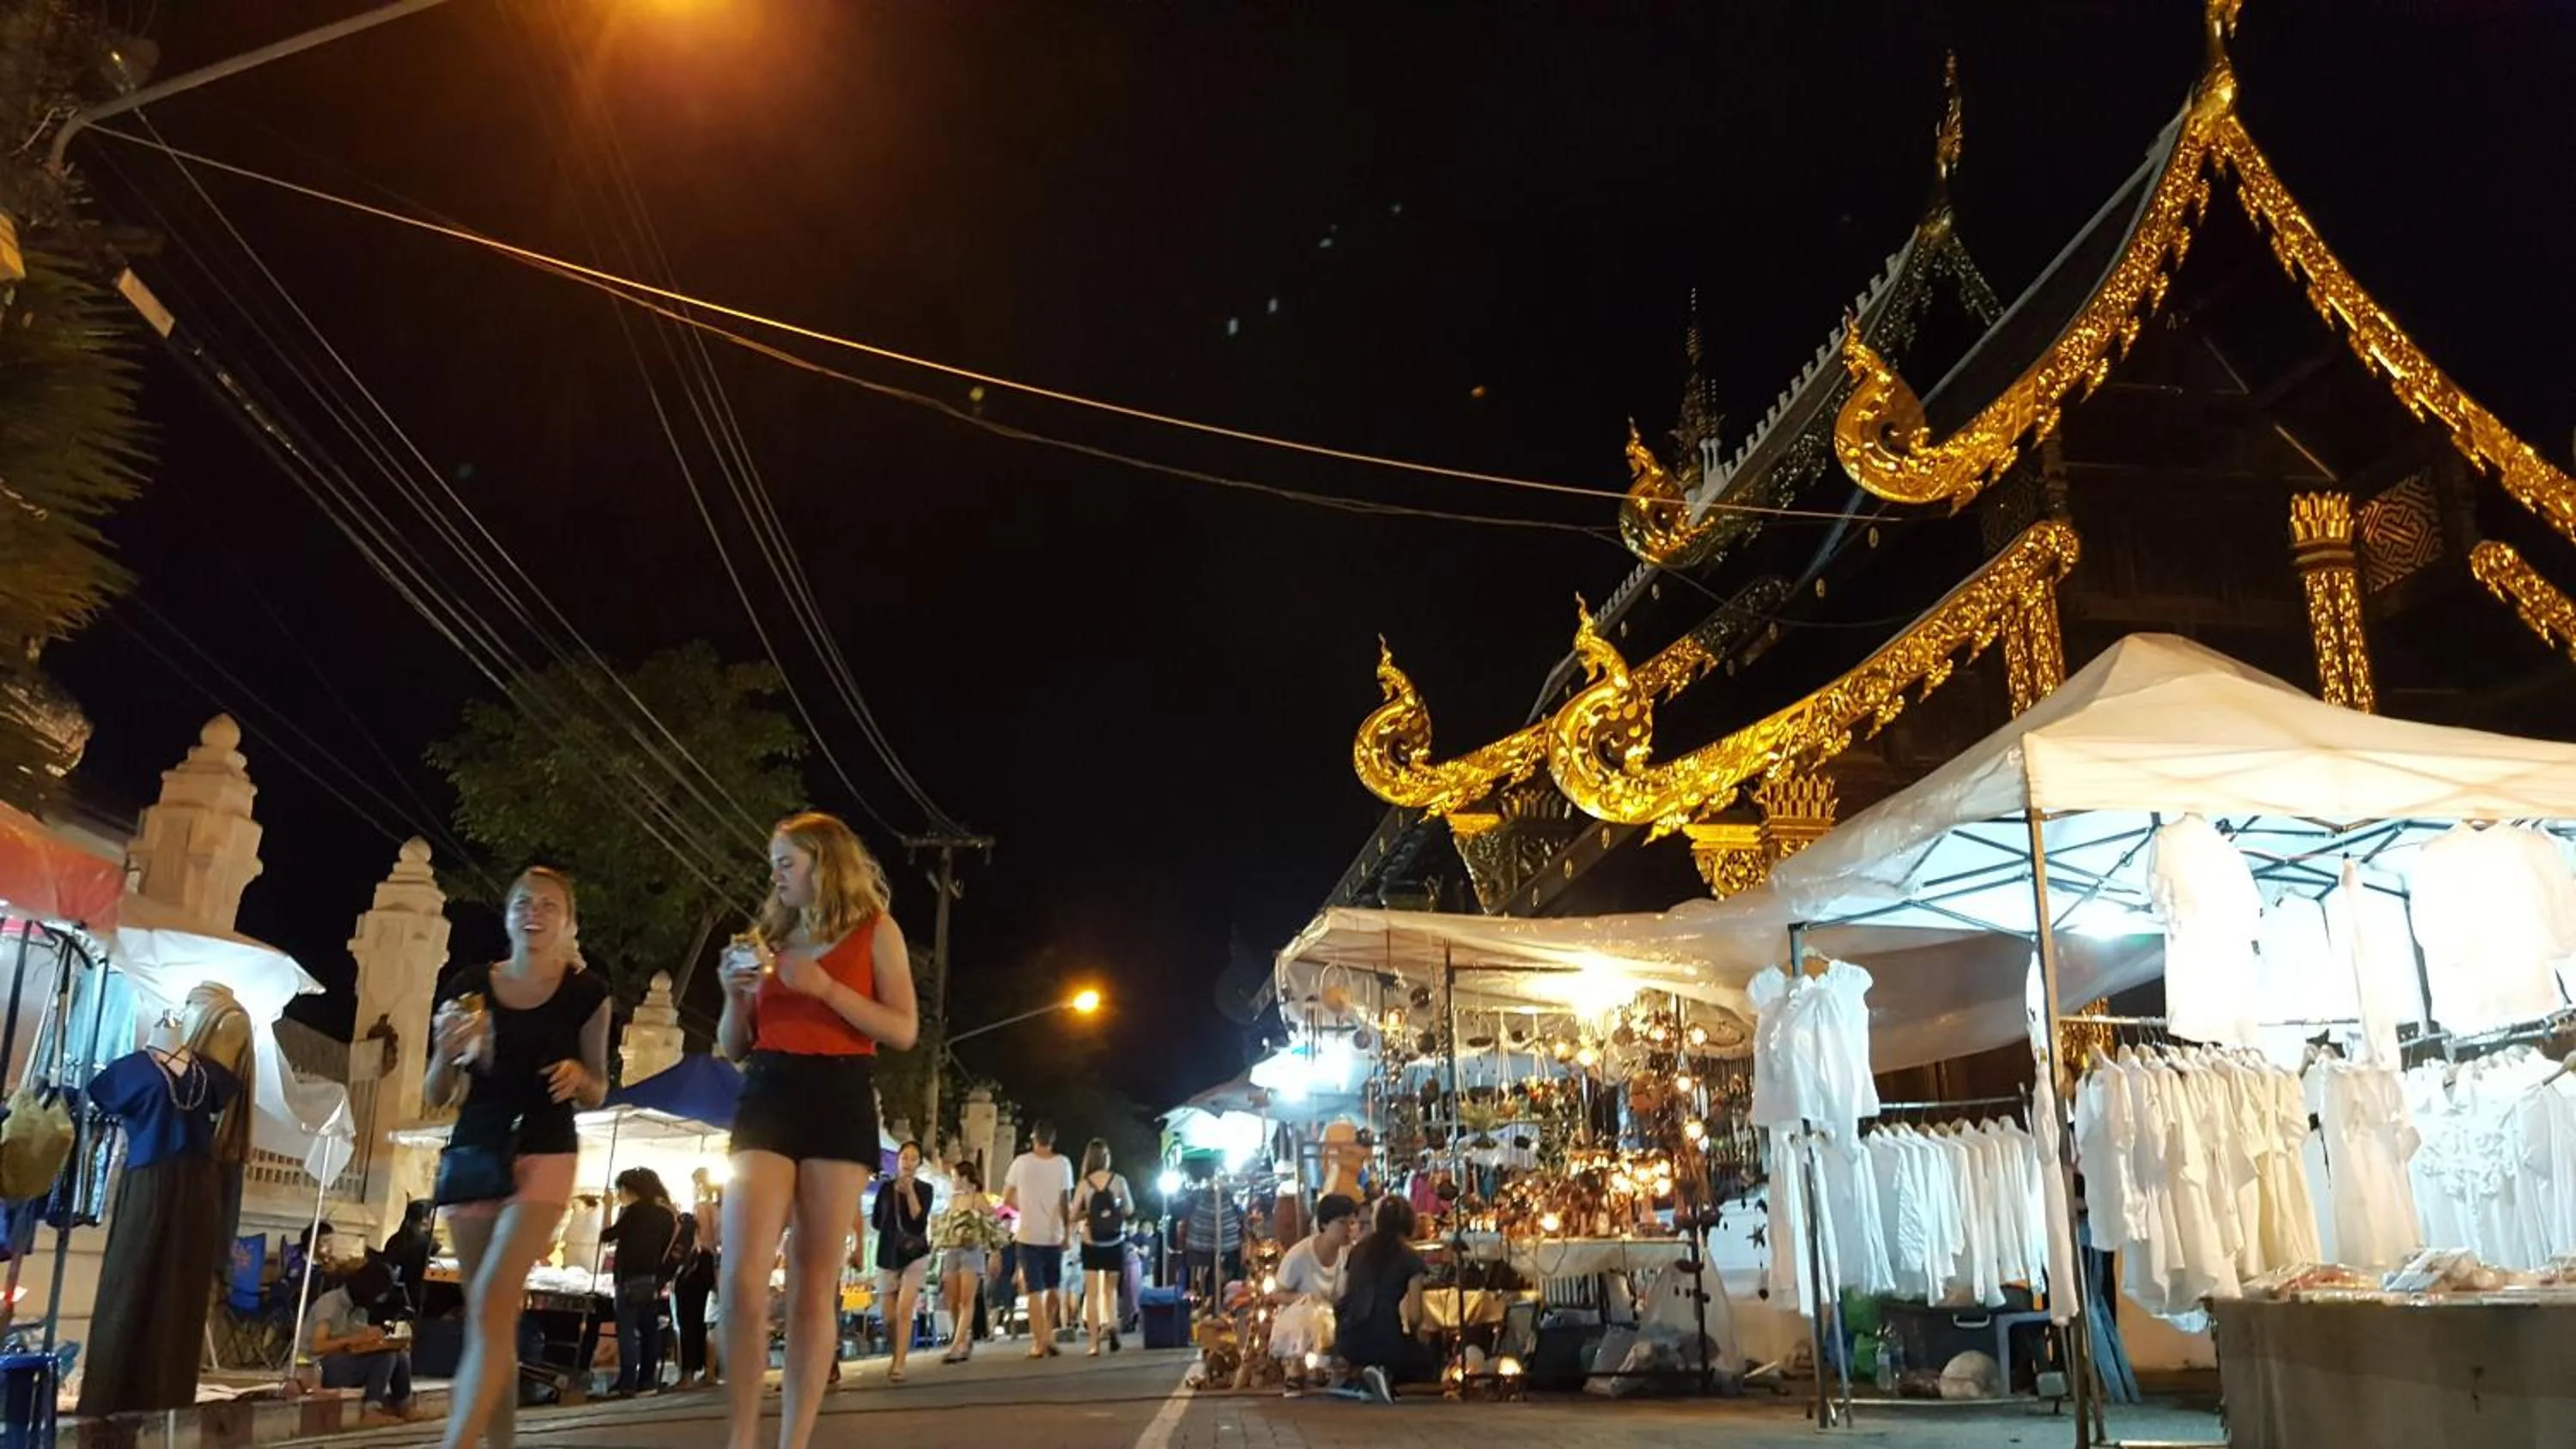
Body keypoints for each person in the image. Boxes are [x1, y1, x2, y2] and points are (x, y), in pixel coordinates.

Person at [717, 813, 918, 1449]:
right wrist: (731, 995)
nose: (774, 873)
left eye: (786, 861)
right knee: (743, 1277)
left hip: (840, 1090)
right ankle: (743, 1434)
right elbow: (734, 1046)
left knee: (813, 1282)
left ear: (823, 864)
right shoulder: (767, 940)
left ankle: (793, 1440)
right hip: (769, 1089)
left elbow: (902, 1029)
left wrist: (827, 987)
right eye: (773, 862)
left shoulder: (876, 932)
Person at [426, 866, 611, 1449]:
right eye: (524, 903)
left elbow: (599, 1085)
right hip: (477, 1148)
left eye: (550, 905)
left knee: (495, 1298)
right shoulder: (470, 985)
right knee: (491, 1317)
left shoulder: (588, 993)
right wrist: (445, 1053)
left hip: (546, 1149)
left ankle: (454, 1443)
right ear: (507, 915)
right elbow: (437, 1093)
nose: (535, 912)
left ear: (569, 920)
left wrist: (580, 1077)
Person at [1336, 1195, 1438, 1403]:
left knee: (1377, 1346)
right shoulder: (1411, 1258)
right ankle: (1384, 1374)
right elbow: (1414, 1316)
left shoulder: (1357, 1251)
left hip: (1348, 1340)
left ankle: (1366, 1375)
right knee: (1429, 1359)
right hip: (1386, 1343)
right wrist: (1421, 1336)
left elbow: (1344, 1295)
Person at [309, 1257, 419, 1425]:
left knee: (399, 1354)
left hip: (346, 1360)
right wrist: (351, 1339)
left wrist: (376, 1338)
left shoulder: (359, 1308)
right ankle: (371, 1411)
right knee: (386, 1356)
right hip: (319, 1367)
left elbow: (360, 1337)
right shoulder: (330, 1304)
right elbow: (317, 1346)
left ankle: (405, 1405)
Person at [601, 1167, 680, 1398]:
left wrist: (607, 1208)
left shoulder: (631, 1212)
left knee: (626, 1330)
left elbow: (606, 1236)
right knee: (649, 1330)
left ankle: (627, 1382)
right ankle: (647, 1380)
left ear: (628, 1189)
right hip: (653, 1280)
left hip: (628, 1278)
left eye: (620, 1190)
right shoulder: (665, 1214)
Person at [1270, 1193, 1359, 1393]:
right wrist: (1305, 1299)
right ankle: (1295, 1370)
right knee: (1312, 1310)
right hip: (1301, 1322)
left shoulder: (1349, 1254)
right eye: (1342, 1223)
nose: (1348, 1229)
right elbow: (1277, 1294)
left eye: (1352, 1223)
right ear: (1325, 1224)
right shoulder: (1299, 1255)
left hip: (1334, 1317)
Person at [1002, 1122, 1075, 1359]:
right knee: (1053, 1288)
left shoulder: (1020, 1163)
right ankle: (1046, 1334)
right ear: (1053, 1139)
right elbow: (1066, 1201)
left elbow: (1006, 1198)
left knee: (1034, 1290)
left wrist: (1025, 1209)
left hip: (1028, 1234)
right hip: (1053, 1234)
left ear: (1034, 1137)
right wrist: (1066, 1231)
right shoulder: (1063, 1163)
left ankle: (1039, 1342)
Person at [869, 1141, 933, 1383]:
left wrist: (910, 1194)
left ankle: (900, 1363)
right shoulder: (884, 1189)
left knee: (904, 1308)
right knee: (888, 1317)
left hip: (915, 1254)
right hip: (887, 1255)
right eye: (904, 1157)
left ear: (919, 1164)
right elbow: (876, 1221)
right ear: (897, 1160)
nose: (908, 1162)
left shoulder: (925, 1189)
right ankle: (897, 1352)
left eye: (913, 1158)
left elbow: (919, 1220)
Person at [933, 1161, 1005, 1364]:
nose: (953, 1180)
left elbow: (994, 1227)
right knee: (951, 1299)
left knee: (966, 1299)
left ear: (965, 1178)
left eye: (955, 1176)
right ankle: (963, 1336)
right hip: (952, 1251)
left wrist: (995, 1253)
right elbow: (945, 1228)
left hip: (972, 1251)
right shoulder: (953, 1200)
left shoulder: (979, 1199)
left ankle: (957, 1345)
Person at [1071, 1139, 1133, 1356]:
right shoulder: (1119, 1181)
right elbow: (1129, 1209)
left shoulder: (1084, 1184)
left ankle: (1094, 1343)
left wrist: (1089, 1213)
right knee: (1110, 1290)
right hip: (1115, 1240)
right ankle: (1112, 1324)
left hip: (1091, 1241)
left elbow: (1072, 1215)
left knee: (1093, 1292)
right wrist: (1113, 1213)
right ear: (1107, 1158)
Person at [673, 1167, 722, 1390]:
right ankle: (708, 1371)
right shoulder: (721, 1208)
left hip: (697, 1264)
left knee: (689, 1319)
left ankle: (689, 1374)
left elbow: (701, 1240)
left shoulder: (701, 1208)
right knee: (707, 1321)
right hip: (711, 1265)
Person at [380, 1200, 434, 1324]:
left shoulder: (394, 1239)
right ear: (425, 1220)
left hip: (394, 1296)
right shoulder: (423, 1243)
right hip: (415, 1298)